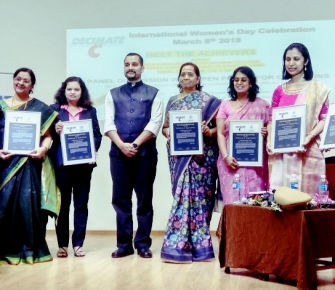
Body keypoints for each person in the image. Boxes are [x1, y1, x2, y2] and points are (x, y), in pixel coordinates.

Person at [104, 52, 163, 259]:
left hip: (145, 155)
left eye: (135, 64)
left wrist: (135, 144)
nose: (131, 67)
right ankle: (124, 245)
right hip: (118, 155)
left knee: (144, 201)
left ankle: (143, 244)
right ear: (124, 68)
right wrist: (122, 146)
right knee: (120, 200)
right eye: (127, 64)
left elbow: (155, 124)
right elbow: (108, 124)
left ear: (142, 68)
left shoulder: (154, 93)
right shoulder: (112, 94)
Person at [160, 62, 221, 263]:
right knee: (181, 198)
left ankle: (201, 248)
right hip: (180, 159)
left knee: (201, 202)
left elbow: (217, 131)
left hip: (202, 160)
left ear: (198, 79)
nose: (186, 77)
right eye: (182, 75)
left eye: (190, 74)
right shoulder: (172, 102)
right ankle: (177, 246)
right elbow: (165, 128)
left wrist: (207, 131)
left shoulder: (209, 102)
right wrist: (170, 134)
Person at [0, 67, 58, 265]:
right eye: (18, 79)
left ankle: (29, 250)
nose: (21, 83)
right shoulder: (1, 104)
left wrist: (43, 149)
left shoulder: (40, 108)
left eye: (26, 80)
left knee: (27, 206)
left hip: (29, 164)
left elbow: (48, 136)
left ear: (32, 85)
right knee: (4, 205)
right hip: (5, 164)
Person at [267, 43, 330, 195]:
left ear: (306, 61)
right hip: (282, 153)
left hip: (308, 150)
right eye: (287, 59)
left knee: (308, 199)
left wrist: (308, 137)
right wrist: (269, 139)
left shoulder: (318, 89)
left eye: (296, 59)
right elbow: (271, 119)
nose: (291, 63)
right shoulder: (279, 90)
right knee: (283, 199)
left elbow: (324, 118)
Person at [49, 77, 102, 258]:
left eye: (76, 89)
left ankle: (78, 244)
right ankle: (62, 245)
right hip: (62, 165)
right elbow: (46, 136)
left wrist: (92, 152)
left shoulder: (90, 111)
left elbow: (97, 136)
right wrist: (54, 131)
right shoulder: (54, 110)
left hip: (83, 166)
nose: (72, 92)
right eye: (69, 89)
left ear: (82, 92)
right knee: (62, 206)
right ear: (64, 91)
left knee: (81, 205)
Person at [216, 66, 270, 205]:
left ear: (251, 83)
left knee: (256, 203)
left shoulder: (262, 105)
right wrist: (226, 156)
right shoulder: (225, 104)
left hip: (255, 164)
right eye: (236, 80)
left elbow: (270, 127)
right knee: (233, 203)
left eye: (243, 80)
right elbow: (221, 133)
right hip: (230, 162)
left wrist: (266, 132)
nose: (239, 83)